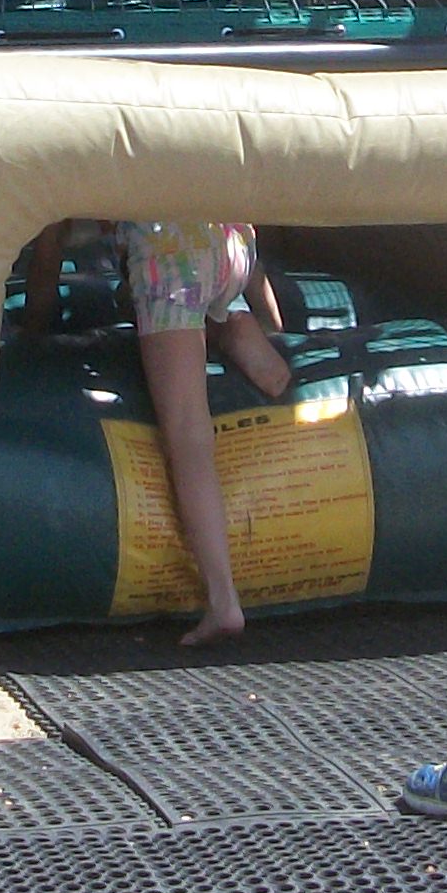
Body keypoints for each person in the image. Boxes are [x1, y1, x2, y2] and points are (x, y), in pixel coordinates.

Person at [120, 220, 294, 647]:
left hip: (171, 259)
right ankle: (235, 328)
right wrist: (279, 329)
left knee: (188, 435)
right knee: (183, 300)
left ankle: (223, 601)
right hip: (233, 246)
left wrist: (31, 330)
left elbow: (47, 259)